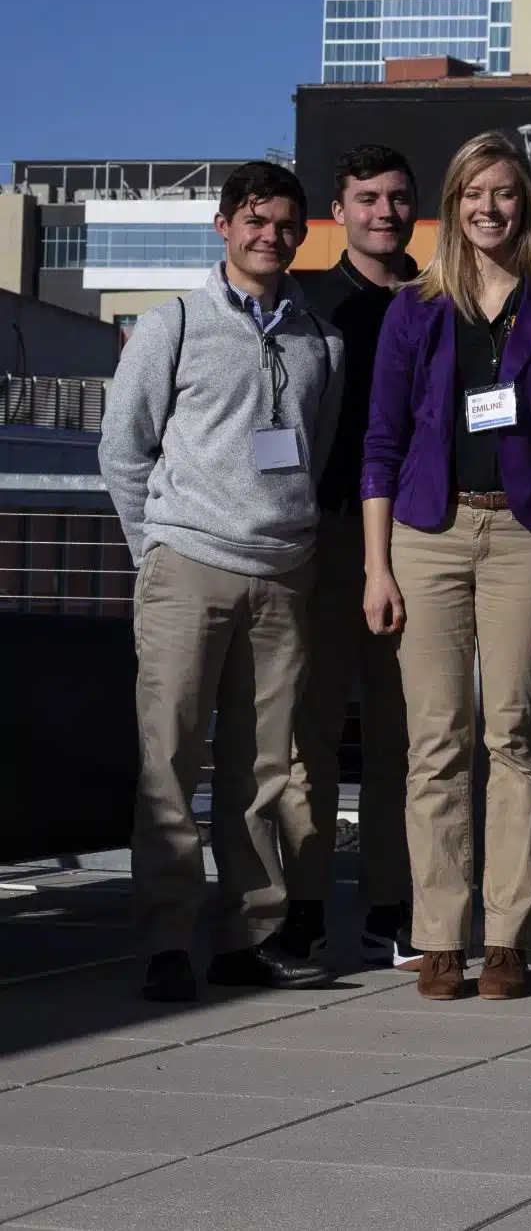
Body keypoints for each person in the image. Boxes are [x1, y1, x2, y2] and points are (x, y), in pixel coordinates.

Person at [103, 161, 345, 1001]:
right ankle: (169, 939)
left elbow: (312, 447)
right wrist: (158, 551)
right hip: (187, 568)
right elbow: (123, 448)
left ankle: (247, 934)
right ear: (223, 225)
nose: (269, 234)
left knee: (259, 771)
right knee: (168, 760)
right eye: (254, 219)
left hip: (282, 576)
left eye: (284, 223)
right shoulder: (172, 322)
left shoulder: (320, 338)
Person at [363, 131, 531, 1001]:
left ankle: (507, 935)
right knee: (436, 739)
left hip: (525, 539)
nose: (488, 208)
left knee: (513, 734)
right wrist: (376, 565)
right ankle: (438, 937)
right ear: (453, 206)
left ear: (524, 204)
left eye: (503, 193)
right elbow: (380, 445)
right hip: (426, 534)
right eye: (473, 194)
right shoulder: (415, 309)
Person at [276, 145, 418, 971]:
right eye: (368, 198)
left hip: (418, 534)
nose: (385, 212)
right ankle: (301, 905)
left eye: (398, 198)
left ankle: (390, 904)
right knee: (313, 731)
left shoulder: (436, 302)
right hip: (329, 535)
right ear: (342, 211)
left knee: (406, 735)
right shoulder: (308, 303)